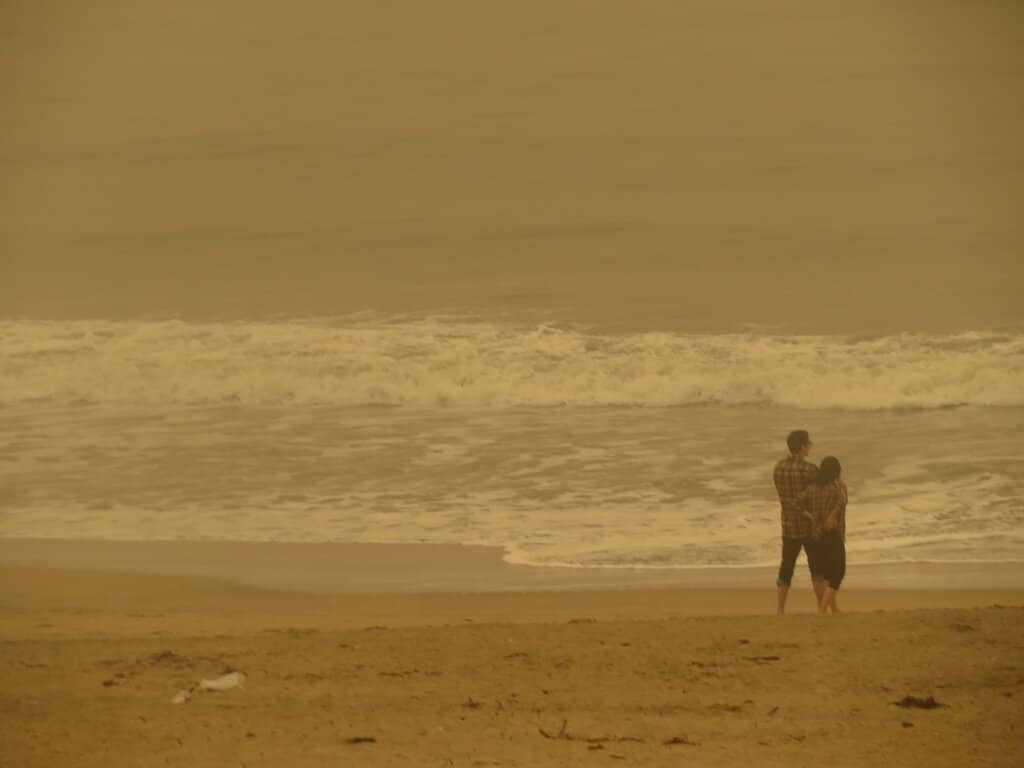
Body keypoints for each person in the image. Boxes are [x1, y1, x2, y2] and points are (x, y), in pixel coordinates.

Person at [773, 430, 824, 614]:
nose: (810, 445)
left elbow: (784, 498)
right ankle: (821, 608)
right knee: (817, 567)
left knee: (786, 566)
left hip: (788, 525)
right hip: (809, 525)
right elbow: (817, 495)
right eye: (808, 443)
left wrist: (796, 508)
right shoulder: (810, 469)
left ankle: (780, 610)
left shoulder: (778, 468)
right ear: (802, 446)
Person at [802, 456, 848, 614]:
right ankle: (822, 609)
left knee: (826, 572)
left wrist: (809, 515)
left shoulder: (811, 487)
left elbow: (796, 503)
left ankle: (832, 608)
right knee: (838, 572)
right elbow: (842, 502)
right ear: (836, 471)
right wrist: (832, 516)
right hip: (832, 534)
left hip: (815, 535)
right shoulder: (837, 487)